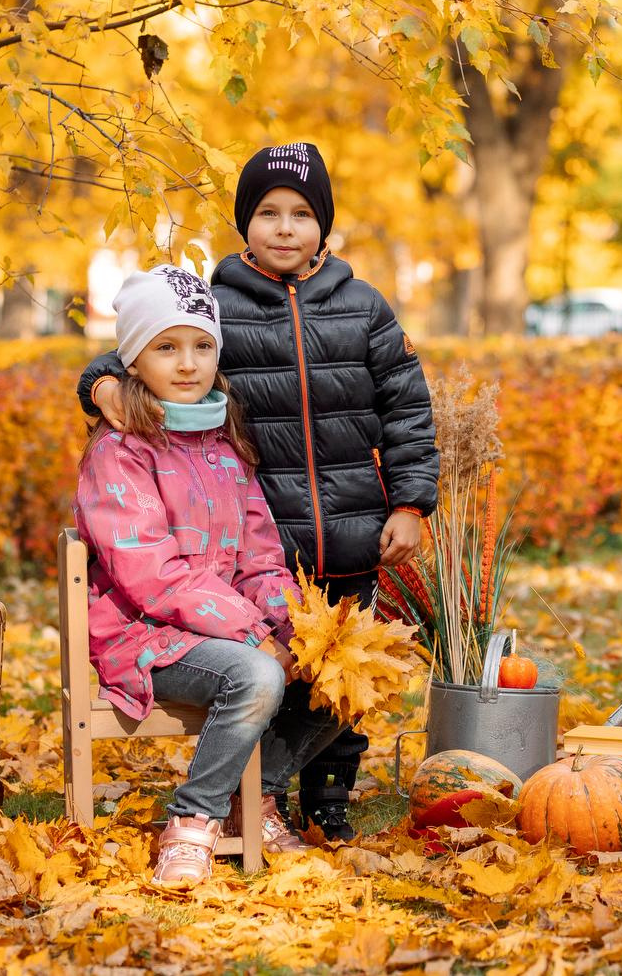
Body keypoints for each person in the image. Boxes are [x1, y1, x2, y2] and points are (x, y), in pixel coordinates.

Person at [80, 143, 439, 838]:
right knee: (280, 670)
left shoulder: (363, 306)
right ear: (245, 222)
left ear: (323, 224)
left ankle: (321, 799)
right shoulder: (216, 304)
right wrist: (96, 382)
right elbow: (151, 342)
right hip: (260, 531)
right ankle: (251, 799)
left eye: (301, 213)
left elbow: (406, 407)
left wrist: (409, 500)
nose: (284, 227)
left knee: (347, 671)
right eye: (267, 212)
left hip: (349, 533)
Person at [75, 264, 340, 884]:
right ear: (132, 361)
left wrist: (294, 622)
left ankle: (259, 796)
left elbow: (259, 559)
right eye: (166, 347)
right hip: (144, 635)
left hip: (222, 629)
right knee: (258, 671)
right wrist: (255, 635)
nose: (188, 363)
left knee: (336, 671)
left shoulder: (223, 445)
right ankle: (193, 821)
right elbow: (152, 575)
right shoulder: (121, 452)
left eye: (201, 346)